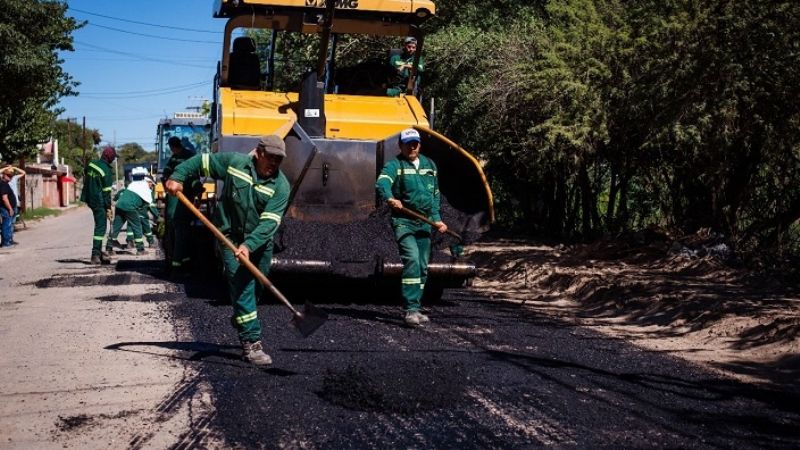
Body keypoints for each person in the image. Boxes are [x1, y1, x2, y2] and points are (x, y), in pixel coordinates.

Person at [165, 135, 289, 366]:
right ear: (259, 153)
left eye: (278, 160)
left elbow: (269, 223)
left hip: (259, 243)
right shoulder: (234, 163)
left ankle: (242, 317)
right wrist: (178, 176)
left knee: (256, 288)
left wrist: (249, 245)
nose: (273, 163)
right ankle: (252, 344)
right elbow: (201, 162)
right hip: (229, 237)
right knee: (242, 286)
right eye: (270, 157)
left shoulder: (281, 186)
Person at [375, 128, 447, 327]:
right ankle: (410, 310)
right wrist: (390, 198)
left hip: (424, 222)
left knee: (423, 266)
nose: (412, 147)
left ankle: (416, 305)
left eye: (415, 143)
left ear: (420, 145)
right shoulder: (395, 165)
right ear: (401, 146)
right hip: (403, 222)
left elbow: (434, 197)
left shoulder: (429, 165)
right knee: (413, 259)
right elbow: (382, 183)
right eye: (408, 143)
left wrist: (437, 219)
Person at [162, 136, 197, 273]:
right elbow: (166, 174)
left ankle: (179, 263)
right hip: (179, 204)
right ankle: (178, 265)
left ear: (173, 146)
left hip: (181, 203)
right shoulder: (176, 158)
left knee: (179, 234)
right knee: (180, 234)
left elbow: (193, 177)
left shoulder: (184, 157)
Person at [80, 146, 116, 264]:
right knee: (101, 227)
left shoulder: (92, 164)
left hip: (89, 198)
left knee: (99, 225)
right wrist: (108, 208)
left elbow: (86, 173)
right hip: (99, 201)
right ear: (110, 158)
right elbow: (106, 193)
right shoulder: (106, 171)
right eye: (113, 158)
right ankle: (95, 255)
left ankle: (99, 253)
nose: (113, 160)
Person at [107, 176, 157, 253]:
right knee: (137, 226)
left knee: (116, 226)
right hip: (129, 207)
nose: (152, 187)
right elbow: (147, 207)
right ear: (148, 182)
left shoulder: (134, 184)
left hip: (119, 205)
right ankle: (140, 249)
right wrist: (157, 216)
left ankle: (109, 247)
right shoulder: (146, 190)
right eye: (152, 184)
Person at [0, 169, 18, 247]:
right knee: (6, 225)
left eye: (11, 176)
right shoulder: (3, 184)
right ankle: (6, 243)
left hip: (7, 208)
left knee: (8, 225)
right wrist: (10, 208)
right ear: (4, 175)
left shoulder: (5, 184)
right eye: (9, 176)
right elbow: (4, 198)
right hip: (6, 209)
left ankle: (8, 241)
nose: (10, 178)